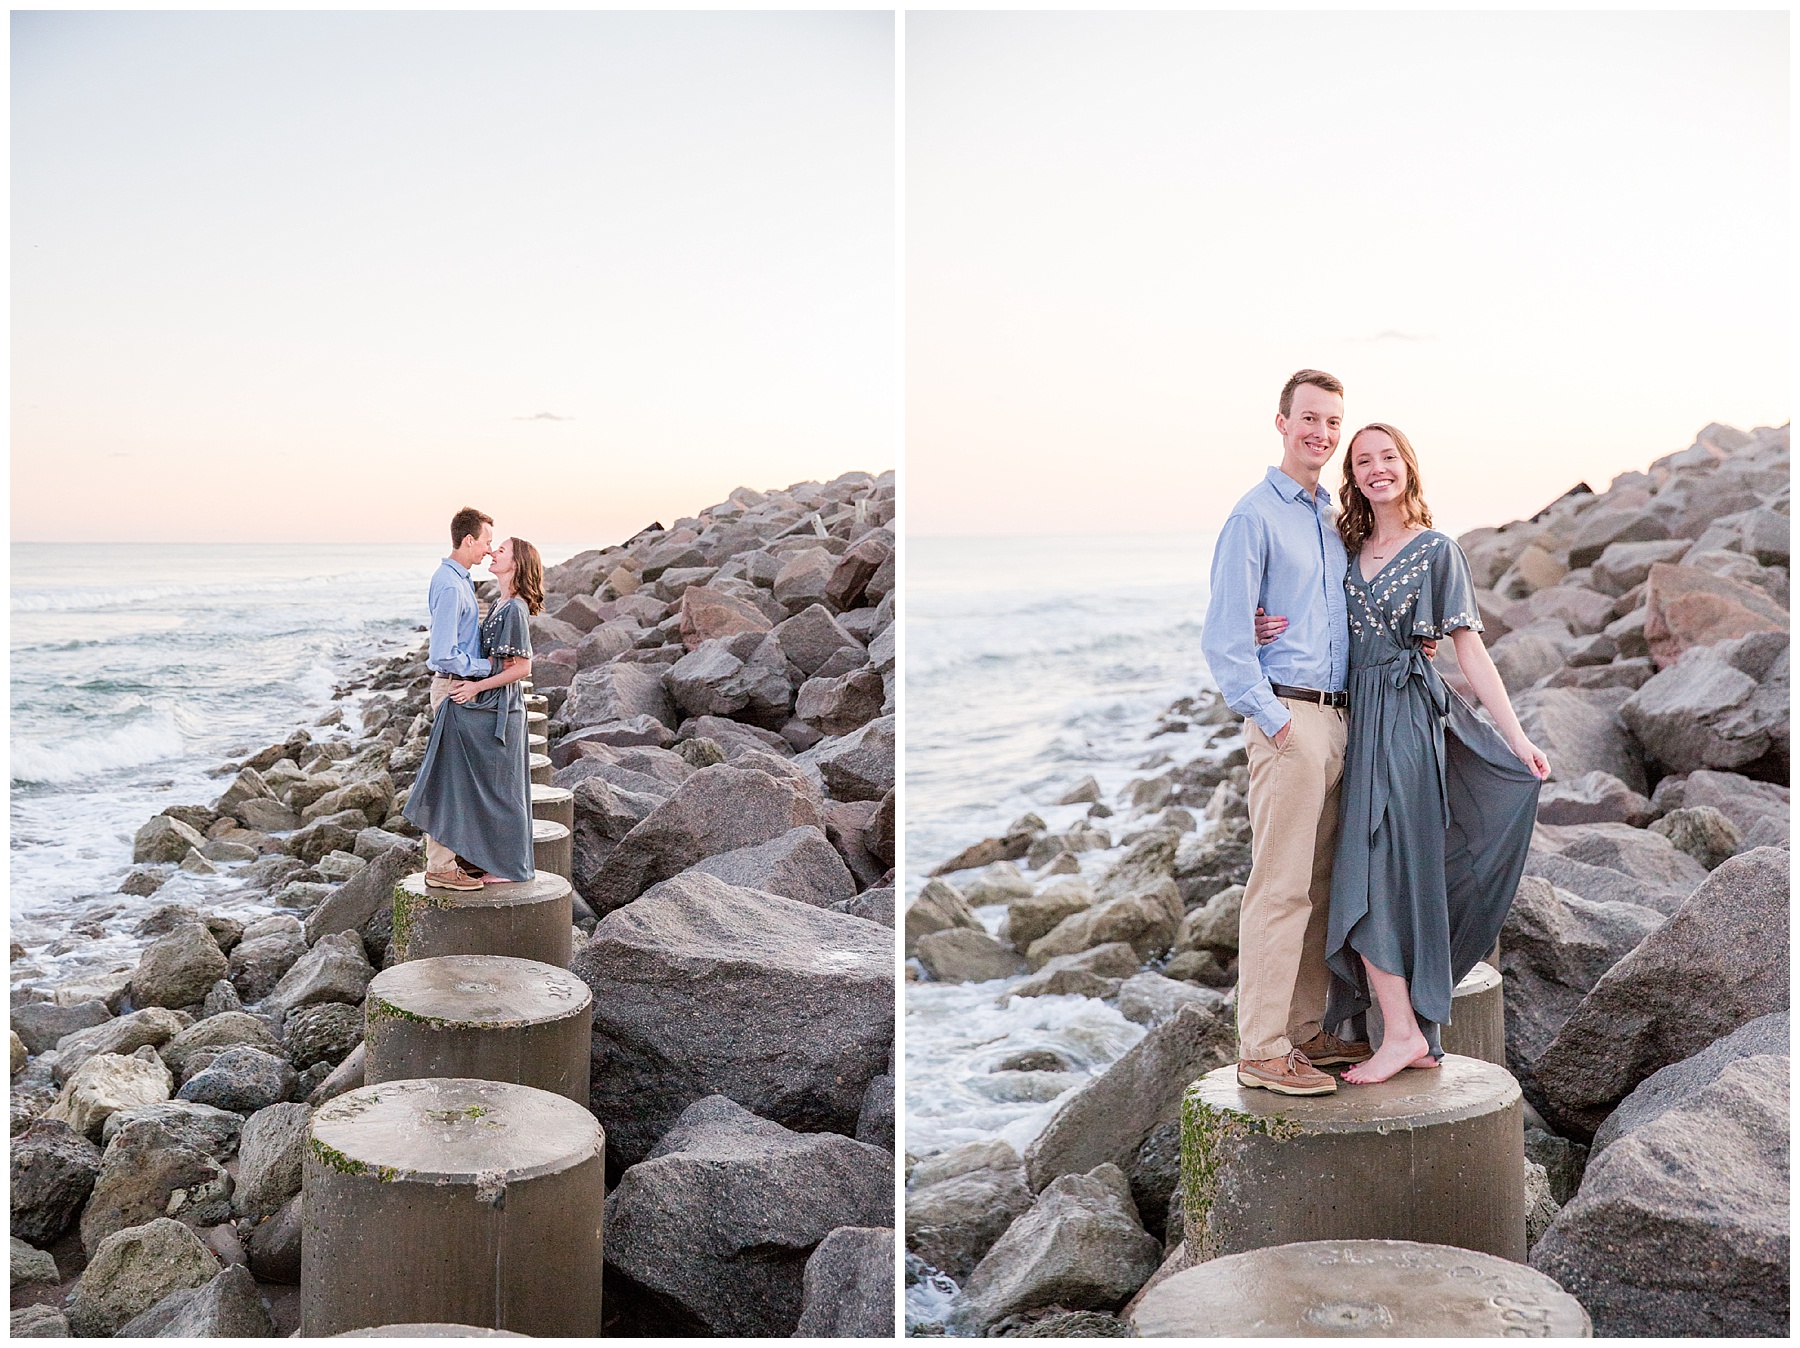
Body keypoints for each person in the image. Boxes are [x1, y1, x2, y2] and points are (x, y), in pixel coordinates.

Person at [1308, 423, 1547, 1083]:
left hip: (1409, 726)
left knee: (1377, 869)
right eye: (1363, 461)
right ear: (1352, 476)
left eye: (1388, 458)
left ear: (1408, 467)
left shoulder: (1437, 550)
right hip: (1362, 724)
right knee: (1368, 870)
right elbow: (1311, 613)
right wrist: (1262, 625)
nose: (1376, 469)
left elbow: (1469, 650)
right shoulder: (1347, 547)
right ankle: (1405, 1028)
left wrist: (1516, 737)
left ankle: (1405, 1033)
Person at [1201, 370, 1374, 1097]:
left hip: (1338, 718)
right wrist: (1273, 721)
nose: (1322, 434)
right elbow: (1223, 637)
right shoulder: (1254, 516)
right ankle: (1263, 1047)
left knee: (1322, 885)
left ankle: (1305, 1033)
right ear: (1281, 423)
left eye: (1333, 423)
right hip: (1290, 717)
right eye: (1310, 419)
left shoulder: (1331, 519)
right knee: (1279, 888)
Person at [405, 516, 542, 889]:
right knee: (456, 779)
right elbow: (445, 653)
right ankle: (445, 864)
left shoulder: (479, 590)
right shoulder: (454, 585)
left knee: (473, 781)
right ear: (469, 541)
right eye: (488, 542)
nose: (490, 550)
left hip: (475, 693)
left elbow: (521, 666)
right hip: (458, 689)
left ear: (515, 564)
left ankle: (461, 861)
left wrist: (480, 683)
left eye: (498, 547)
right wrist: (482, 673)